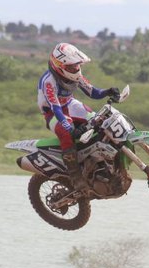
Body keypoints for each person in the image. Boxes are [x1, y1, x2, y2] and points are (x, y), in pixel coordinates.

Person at [37, 43, 120, 193]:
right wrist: (70, 128)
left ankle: (102, 162)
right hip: (52, 112)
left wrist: (108, 91)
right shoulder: (48, 81)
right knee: (66, 132)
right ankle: (76, 177)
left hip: (69, 104)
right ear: (59, 66)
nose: (75, 69)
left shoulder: (76, 75)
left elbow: (92, 92)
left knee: (99, 119)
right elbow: (56, 108)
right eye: (71, 67)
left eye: (77, 65)